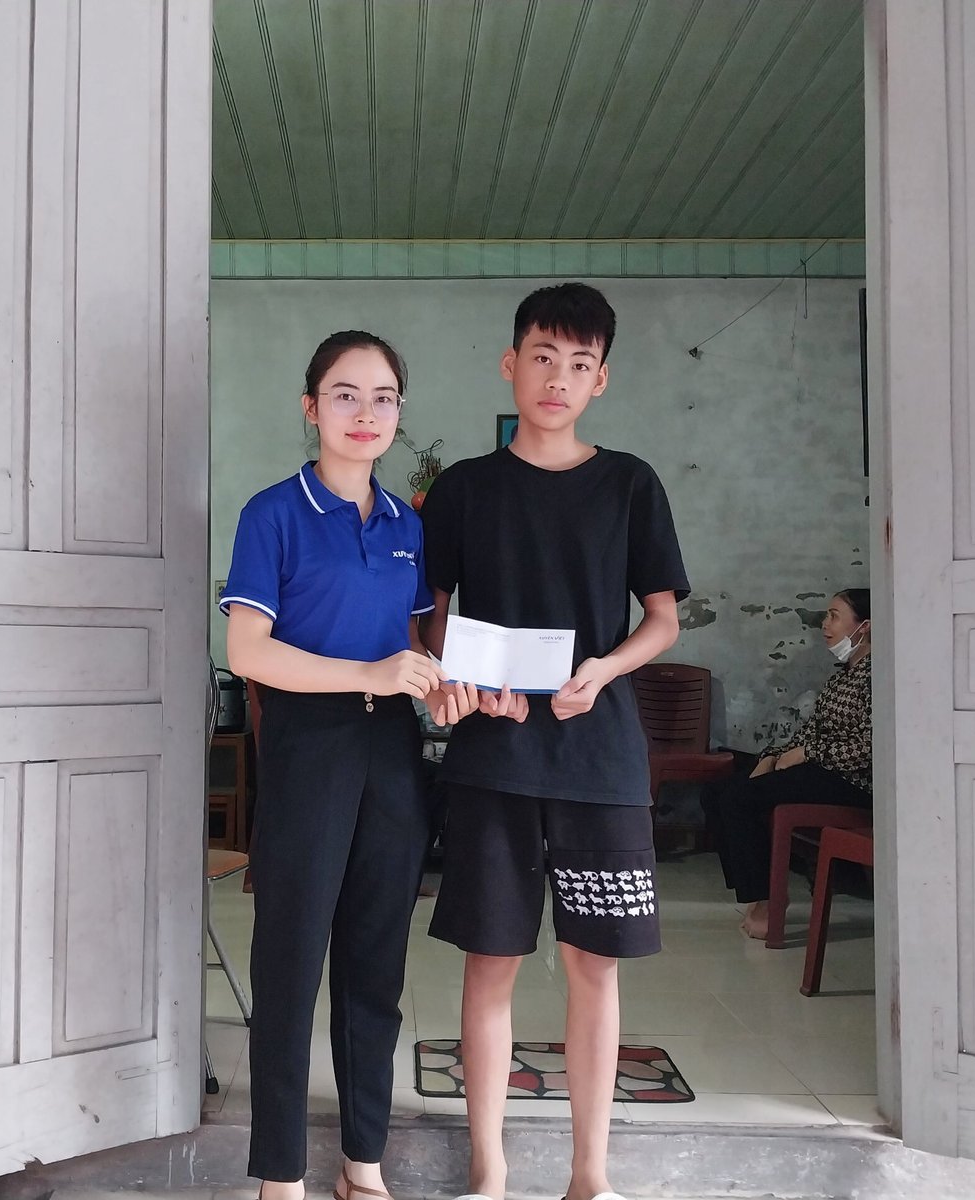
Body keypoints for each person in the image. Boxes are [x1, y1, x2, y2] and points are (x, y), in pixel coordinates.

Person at [418, 283, 689, 1200]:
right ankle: (488, 1170)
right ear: (511, 363)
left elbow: (662, 620)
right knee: (489, 959)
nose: (558, 378)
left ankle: (589, 1174)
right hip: (492, 758)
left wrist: (604, 670)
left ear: (600, 379)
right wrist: (454, 677)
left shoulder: (630, 484)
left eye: (579, 364)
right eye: (542, 357)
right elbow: (429, 612)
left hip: (599, 756)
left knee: (593, 966)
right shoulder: (464, 488)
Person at [221, 330, 479, 1200]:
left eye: (383, 398)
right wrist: (369, 675)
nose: (365, 413)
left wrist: (440, 684)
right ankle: (280, 1174)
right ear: (312, 408)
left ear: (399, 414)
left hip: (393, 753)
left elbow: (407, 641)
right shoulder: (273, 514)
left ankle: (363, 1160)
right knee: (290, 959)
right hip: (309, 745)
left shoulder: (408, 525)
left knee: (376, 965)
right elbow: (248, 651)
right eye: (345, 394)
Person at [711, 588, 873, 939]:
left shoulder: (876, 678)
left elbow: (869, 748)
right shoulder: (842, 676)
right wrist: (771, 757)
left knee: (739, 799)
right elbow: (809, 732)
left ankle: (768, 899)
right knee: (720, 790)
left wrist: (808, 754)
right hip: (823, 771)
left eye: (834, 616)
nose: (825, 624)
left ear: (865, 626)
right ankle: (755, 889)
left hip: (852, 781)